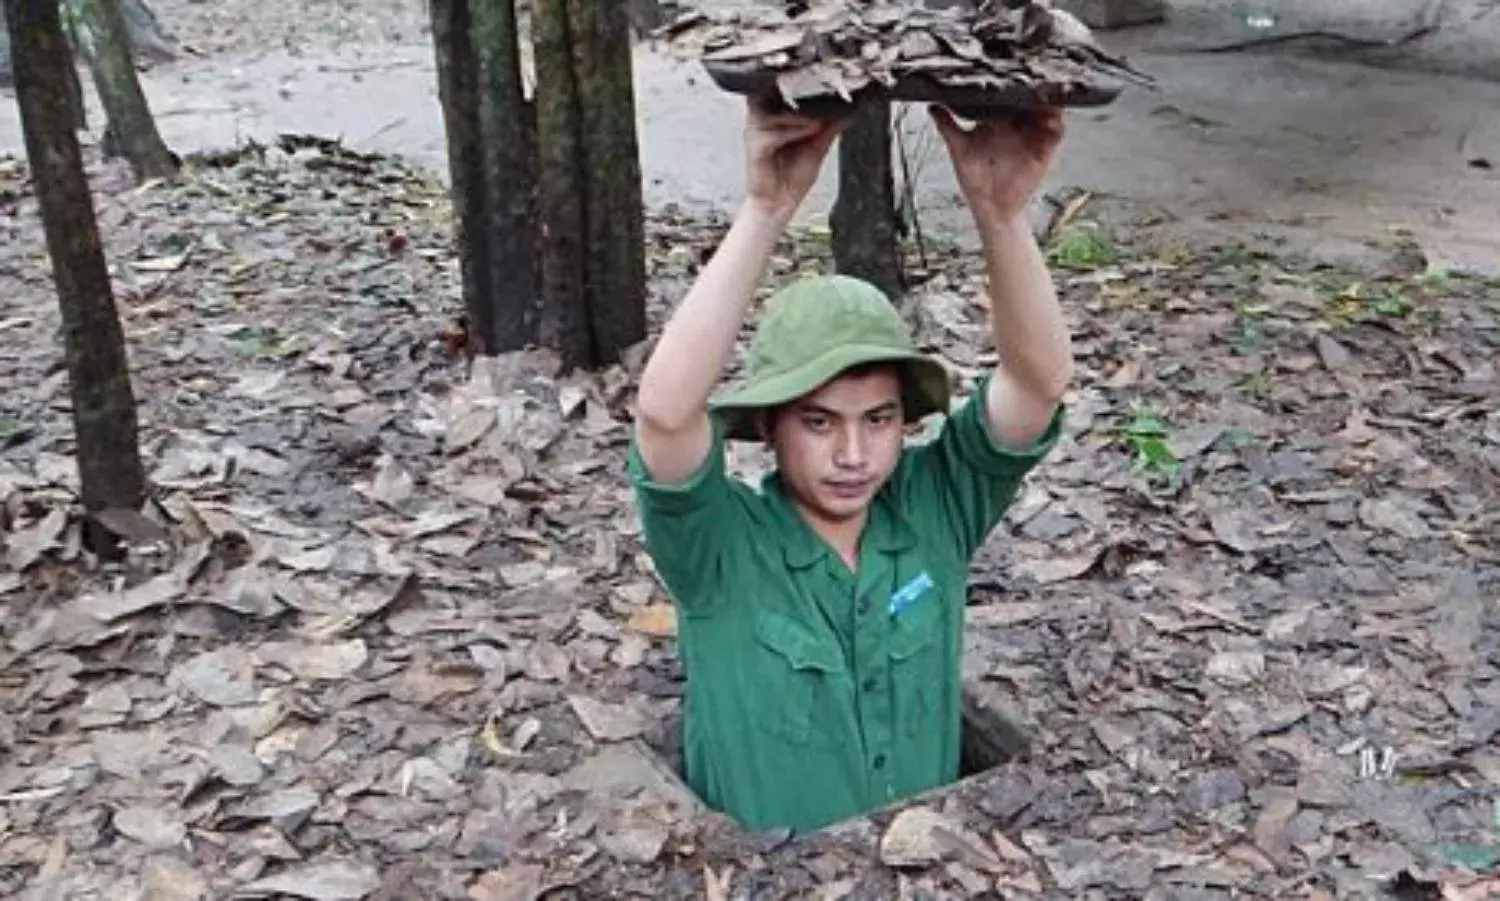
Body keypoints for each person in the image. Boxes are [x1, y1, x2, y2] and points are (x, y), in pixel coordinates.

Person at [627, 94, 1074, 834]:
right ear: (769, 426)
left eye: (879, 419)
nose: (853, 455)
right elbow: (665, 416)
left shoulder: (935, 509)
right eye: (817, 422)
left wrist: (1000, 215)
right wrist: (766, 208)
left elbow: (1036, 384)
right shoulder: (720, 548)